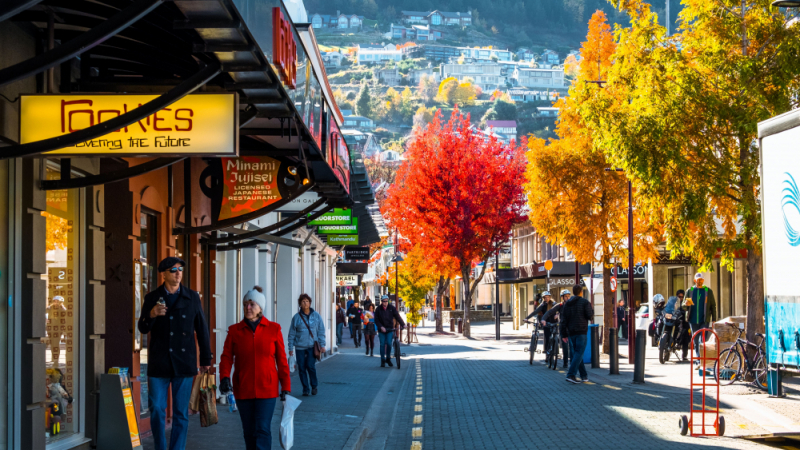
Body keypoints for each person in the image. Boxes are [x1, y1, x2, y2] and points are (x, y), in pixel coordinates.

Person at [137, 256, 212, 450]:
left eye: (180, 269)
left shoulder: (192, 297)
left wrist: (205, 358)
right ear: (164, 274)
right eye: (173, 270)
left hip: (184, 362)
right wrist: (152, 314)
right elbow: (142, 327)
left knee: (180, 413)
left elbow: (202, 328)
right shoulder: (152, 298)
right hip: (159, 363)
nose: (178, 273)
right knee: (156, 410)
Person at [219, 287, 290, 450]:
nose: (247, 308)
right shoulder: (234, 331)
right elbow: (226, 357)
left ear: (260, 307)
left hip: (267, 389)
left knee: (263, 429)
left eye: (251, 304)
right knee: (249, 431)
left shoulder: (274, 329)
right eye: (245, 304)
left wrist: (285, 387)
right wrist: (224, 377)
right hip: (243, 388)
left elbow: (282, 361)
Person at [288, 294, 326, 396]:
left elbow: (321, 330)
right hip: (300, 347)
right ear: (300, 304)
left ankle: (314, 386)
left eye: (307, 301)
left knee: (310, 366)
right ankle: (305, 389)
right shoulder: (296, 318)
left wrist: (322, 345)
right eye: (303, 302)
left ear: (310, 303)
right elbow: (291, 333)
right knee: (301, 368)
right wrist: (290, 348)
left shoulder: (316, 316)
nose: (305, 303)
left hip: (312, 347)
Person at [561, 285, 594, 384]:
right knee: (579, 353)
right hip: (581, 331)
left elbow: (563, 320)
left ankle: (584, 376)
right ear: (581, 292)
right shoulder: (584, 302)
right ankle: (571, 374)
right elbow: (590, 316)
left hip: (571, 332)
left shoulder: (567, 304)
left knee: (577, 353)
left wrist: (563, 334)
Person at [682, 273, 717, 360]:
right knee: (696, 340)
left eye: (701, 280)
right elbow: (683, 305)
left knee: (703, 340)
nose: (699, 282)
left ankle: (702, 359)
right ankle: (698, 359)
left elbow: (713, 306)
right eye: (698, 280)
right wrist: (686, 304)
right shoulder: (690, 291)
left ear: (703, 280)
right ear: (695, 281)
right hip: (692, 320)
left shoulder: (708, 291)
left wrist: (714, 319)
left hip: (704, 320)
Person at [541, 289, 572, 368]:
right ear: (562, 297)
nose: (568, 298)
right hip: (563, 328)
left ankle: (572, 363)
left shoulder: (572, 305)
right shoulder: (560, 305)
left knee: (572, 347)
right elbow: (550, 312)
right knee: (565, 347)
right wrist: (543, 319)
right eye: (566, 296)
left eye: (569, 296)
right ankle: (565, 363)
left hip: (572, 328)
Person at [375, 295, 405, 367]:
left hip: (389, 328)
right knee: (382, 344)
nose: (385, 303)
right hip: (381, 329)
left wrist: (403, 324)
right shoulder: (378, 309)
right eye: (384, 301)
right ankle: (382, 359)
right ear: (381, 301)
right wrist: (381, 327)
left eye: (386, 301)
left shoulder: (392, 308)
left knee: (389, 343)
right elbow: (376, 320)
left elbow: (397, 316)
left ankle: (388, 358)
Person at [663, 290, 690, 361]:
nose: (680, 298)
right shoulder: (673, 302)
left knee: (685, 335)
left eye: (682, 297)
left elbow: (687, 311)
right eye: (679, 296)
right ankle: (664, 346)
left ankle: (684, 355)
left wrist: (683, 313)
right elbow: (667, 308)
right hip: (673, 321)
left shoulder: (685, 303)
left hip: (682, 321)